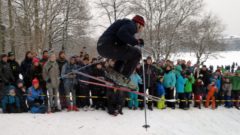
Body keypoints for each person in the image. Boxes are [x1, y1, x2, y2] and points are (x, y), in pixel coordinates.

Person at [97, 15, 145, 88]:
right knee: (137, 53)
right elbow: (121, 33)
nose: (141, 30)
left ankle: (115, 75)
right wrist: (136, 42)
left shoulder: (125, 24)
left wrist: (135, 41)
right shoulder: (132, 25)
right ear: (139, 24)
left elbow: (122, 38)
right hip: (109, 45)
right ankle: (123, 78)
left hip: (102, 47)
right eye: (142, 28)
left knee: (126, 54)